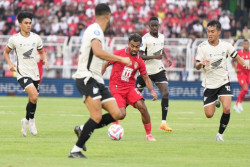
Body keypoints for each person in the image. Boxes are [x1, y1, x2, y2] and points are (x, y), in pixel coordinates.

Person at [69, 3, 130, 159]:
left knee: (118, 113)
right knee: (96, 116)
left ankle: (83, 128)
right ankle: (75, 150)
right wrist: (120, 59)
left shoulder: (96, 31)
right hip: (86, 77)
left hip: (97, 80)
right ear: (108, 16)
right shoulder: (95, 30)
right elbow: (97, 52)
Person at [195, 20, 250, 141]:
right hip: (209, 84)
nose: (210, 34)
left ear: (219, 32)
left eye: (212, 31)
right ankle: (216, 101)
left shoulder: (226, 46)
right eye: (208, 31)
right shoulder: (202, 47)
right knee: (209, 115)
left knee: (227, 108)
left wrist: (245, 64)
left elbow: (237, 57)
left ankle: (220, 134)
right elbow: (196, 65)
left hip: (224, 81)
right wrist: (201, 63)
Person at [102, 33, 158, 141]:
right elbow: (105, 64)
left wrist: (152, 91)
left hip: (129, 87)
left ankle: (149, 135)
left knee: (142, 107)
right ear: (128, 44)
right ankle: (115, 124)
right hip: (116, 87)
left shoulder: (140, 61)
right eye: (132, 46)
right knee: (121, 114)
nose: (134, 48)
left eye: (137, 46)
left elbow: (146, 77)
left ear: (140, 46)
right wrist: (99, 78)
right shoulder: (119, 54)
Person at [3, 11, 49, 137]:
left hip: (35, 73)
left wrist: (44, 58)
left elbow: (41, 51)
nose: (29, 25)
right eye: (26, 23)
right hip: (22, 73)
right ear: (20, 24)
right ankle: (32, 122)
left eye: (30, 23)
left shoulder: (36, 38)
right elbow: (5, 52)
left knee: (32, 99)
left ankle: (26, 121)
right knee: (34, 96)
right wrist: (10, 64)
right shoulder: (14, 39)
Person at [136, 16, 173, 132]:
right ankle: (118, 118)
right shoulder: (145, 39)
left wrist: (166, 58)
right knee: (134, 96)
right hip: (145, 71)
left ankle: (163, 123)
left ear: (159, 26)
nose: (154, 27)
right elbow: (140, 55)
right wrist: (154, 57)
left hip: (158, 69)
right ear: (149, 26)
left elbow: (161, 49)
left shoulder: (162, 37)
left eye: (156, 25)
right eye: (152, 25)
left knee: (165, 93)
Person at [232, 39, 250, 113]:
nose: (246, 45)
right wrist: (235, 68)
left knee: (244, 90)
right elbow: (232, 61)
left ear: (248, 45)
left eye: (247, 44)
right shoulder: (239, 53)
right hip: (241, 73)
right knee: (245, 89)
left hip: (248, 73)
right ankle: (237, 104)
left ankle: (238, 104)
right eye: (244, 44)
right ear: (243, 45)